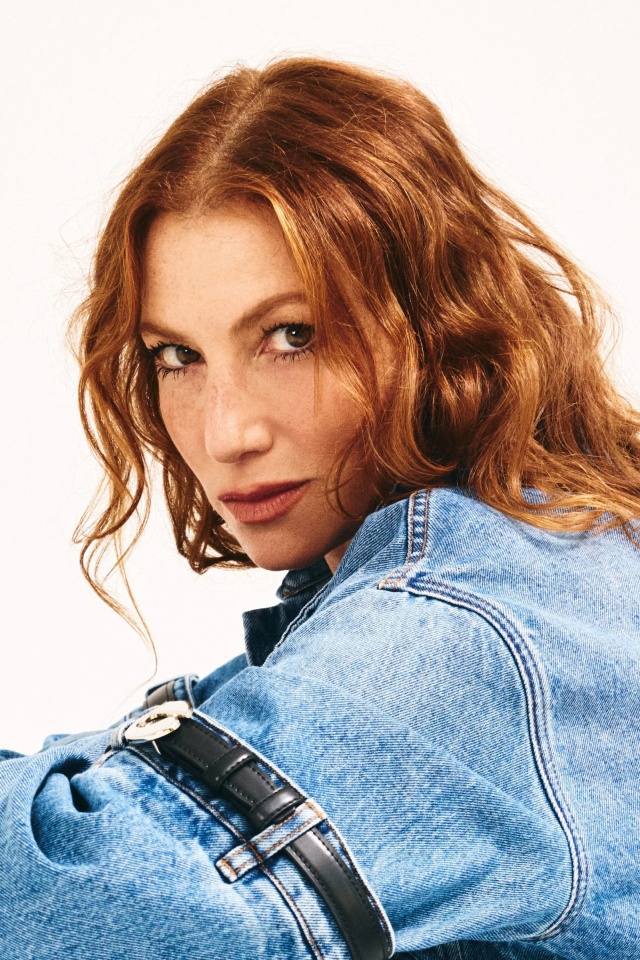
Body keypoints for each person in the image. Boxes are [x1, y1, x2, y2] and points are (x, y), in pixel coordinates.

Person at [1, 56, 639, 960]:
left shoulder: (462, 631)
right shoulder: (552, 553)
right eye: (177, 356)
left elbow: (92, 899)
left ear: (437, 325)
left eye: (292, 337)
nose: (226, 432)